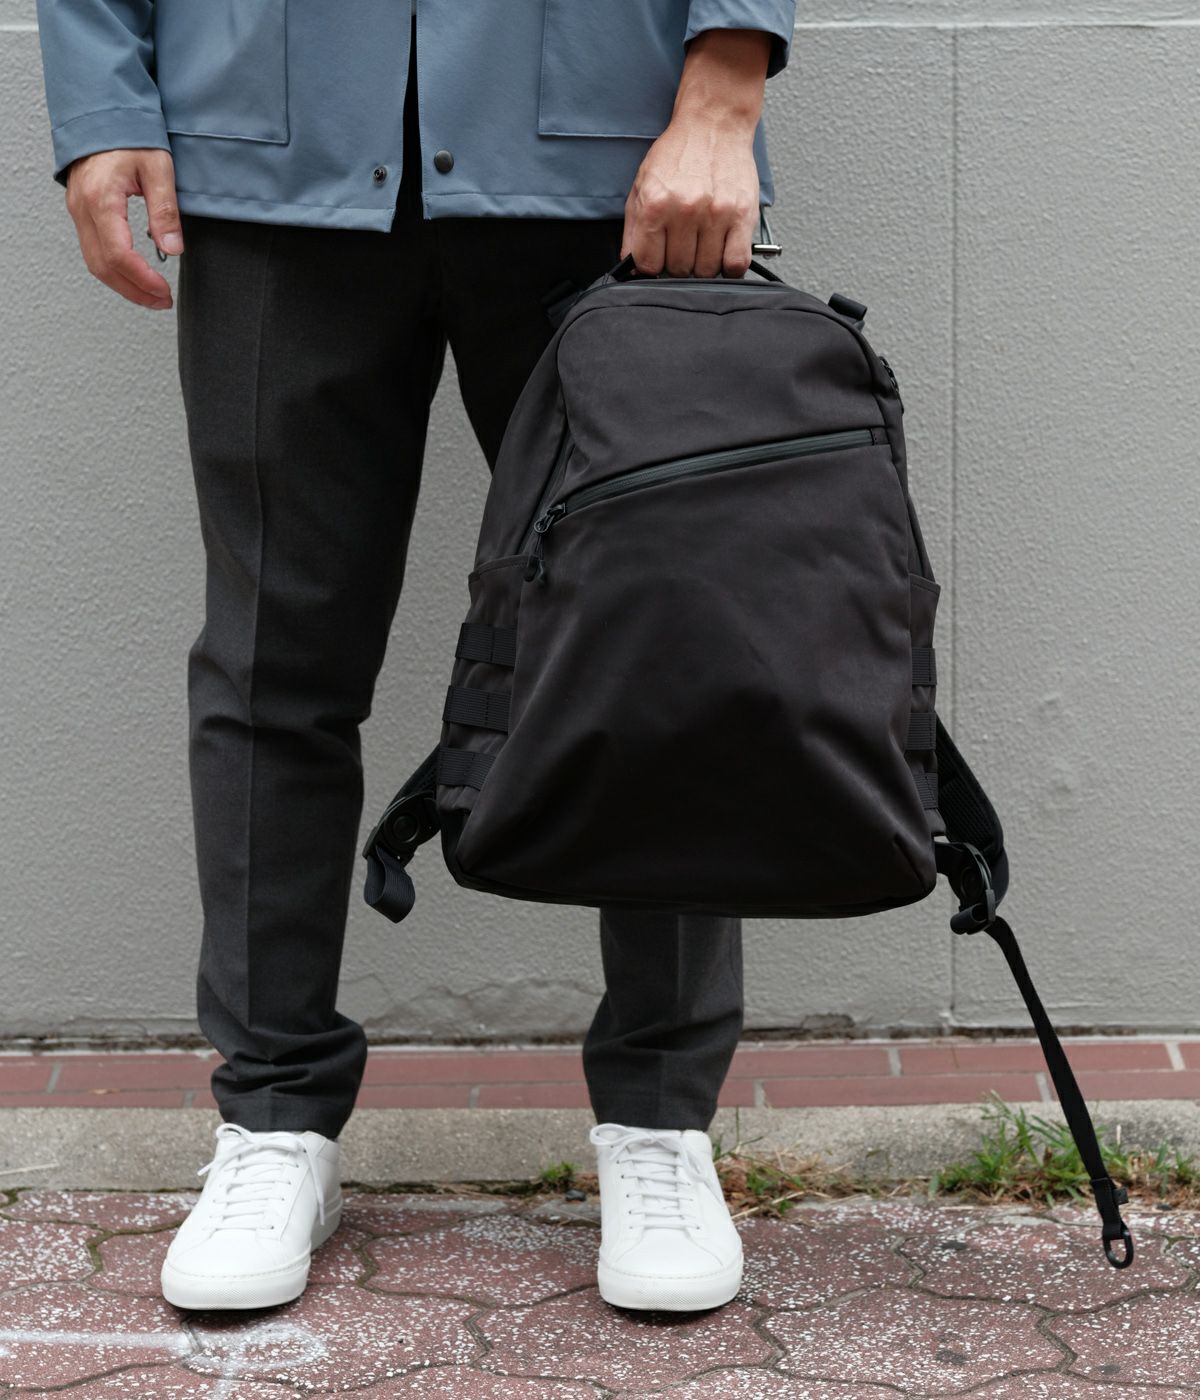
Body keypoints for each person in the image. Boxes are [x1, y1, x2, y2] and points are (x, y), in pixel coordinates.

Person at [35, 0, 796, 1315]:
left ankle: (661, 1117)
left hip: (605, 158)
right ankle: (272, 1117)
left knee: (654, 649)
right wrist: (103, 103)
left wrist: (721, 98)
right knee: (273, 660)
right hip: (272, 150)